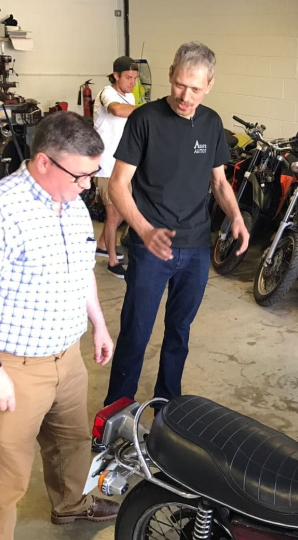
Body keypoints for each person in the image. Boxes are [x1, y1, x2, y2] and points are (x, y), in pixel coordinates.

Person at [0, 111, 119, 540]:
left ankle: (71, 505)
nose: (87, 186)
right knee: (3, 474)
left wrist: (98, 324)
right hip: (11, 365)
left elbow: (82, 271)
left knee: (72, 443)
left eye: (91, 175)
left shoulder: (73, 205)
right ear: (44, 162)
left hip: (66, 356)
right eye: (80, 176)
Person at [103, 41, 249, 406]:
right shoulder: (145, 120)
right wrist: (144, 230)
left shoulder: (212, 123)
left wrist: (236, 216)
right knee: (136, 332)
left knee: (179, 331)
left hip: (196, 246)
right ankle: (116, 411)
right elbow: (118, 185)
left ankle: (167, 405)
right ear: (170, 75)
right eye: (180, 85)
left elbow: (218, 182)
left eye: (195, 89)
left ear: (210, 85)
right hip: (150, 247)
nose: (185, 96)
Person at [93, 56, 139, 278]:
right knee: (114, 214)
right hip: (106, 164)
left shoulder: (129, 96)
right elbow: (118, 111)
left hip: (122, 165)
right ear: (116, 75)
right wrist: (147, 109)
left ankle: (102, 245)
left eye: (135, 78)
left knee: (121, 212)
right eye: (128, 77)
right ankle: (112, 261)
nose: (132, 82)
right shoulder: (106, 93)